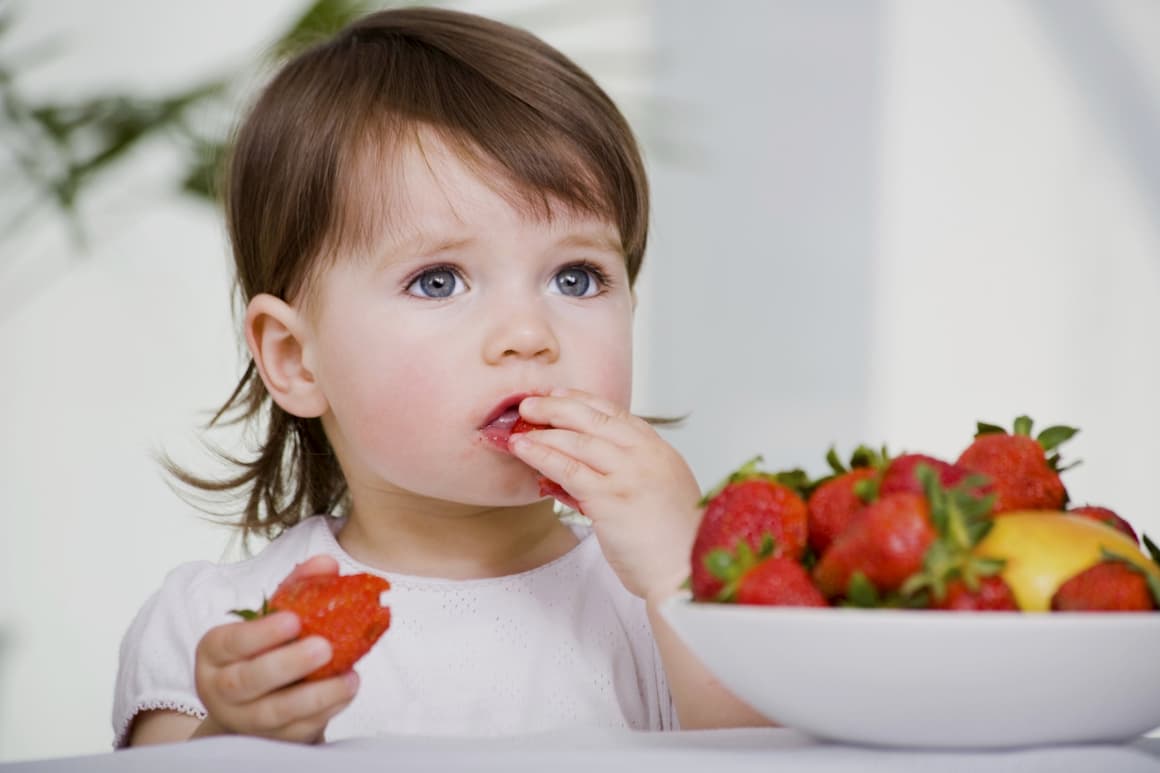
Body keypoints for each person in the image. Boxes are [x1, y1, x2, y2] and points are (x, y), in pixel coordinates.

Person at [113, 6, 768, 747]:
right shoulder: (224, 627)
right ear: (297, 359)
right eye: (438, 281)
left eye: (577, 278)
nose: (529, 335)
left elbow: (773, 758)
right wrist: (238, 734)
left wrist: (689, 580)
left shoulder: (653, 606)